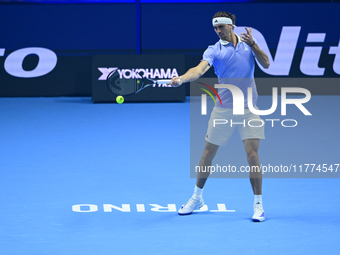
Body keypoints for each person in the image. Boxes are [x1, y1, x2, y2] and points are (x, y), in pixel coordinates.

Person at [169, 11, 270, 222]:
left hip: (249, 109)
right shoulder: (213, 50)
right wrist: (181, 79)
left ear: (231, 25)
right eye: (215, 28)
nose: (218, 31)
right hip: (224, 109)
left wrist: (253, 45)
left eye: (221, 27)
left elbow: (267, 64)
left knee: (253, 156)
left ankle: (258, 204)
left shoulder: (248, 45)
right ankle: (197, 198)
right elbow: (198, 70)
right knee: (208, 154)